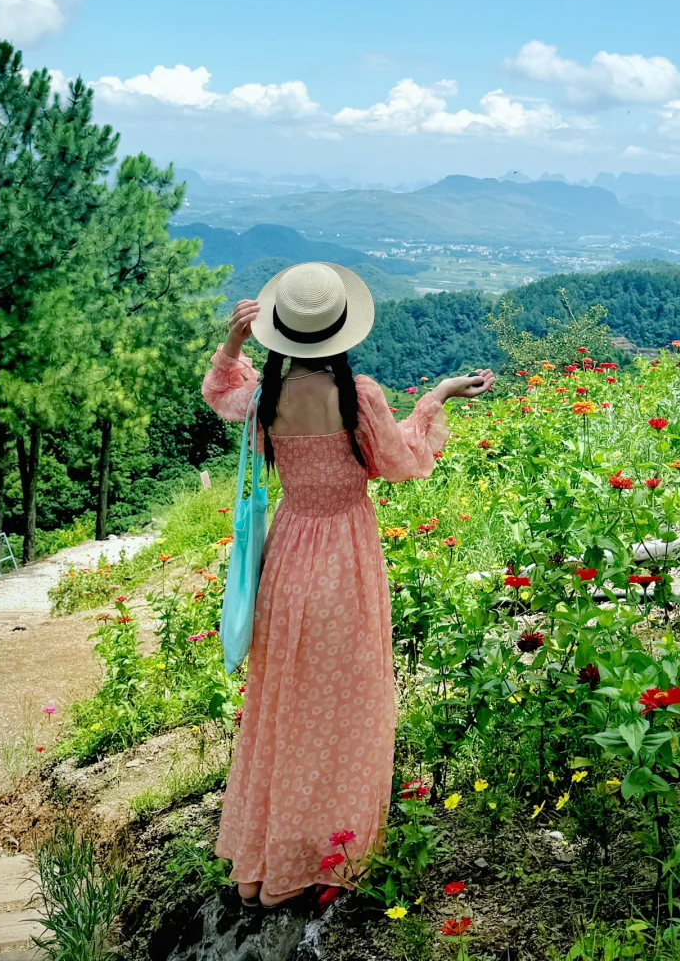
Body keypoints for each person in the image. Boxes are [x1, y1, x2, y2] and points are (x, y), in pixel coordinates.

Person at [201, 261, 494, 909]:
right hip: (346, 562)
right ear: (339, 332)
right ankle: (336, 855)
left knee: (287, 709)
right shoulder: (358, 396)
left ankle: (272, 860)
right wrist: (437, 398)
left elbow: (221, 390)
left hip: (287, 561)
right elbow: (402, 460)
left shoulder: (265, 398)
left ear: (282, 333)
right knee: (351, 709)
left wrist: (233, 341)